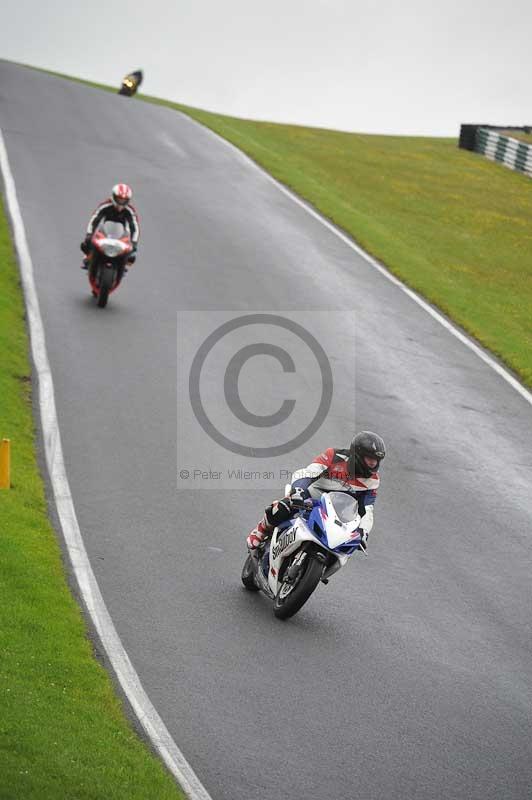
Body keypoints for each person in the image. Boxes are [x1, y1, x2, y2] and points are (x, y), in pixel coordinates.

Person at [246, 431, 386, 552]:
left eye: (376, 460)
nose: (373, 464)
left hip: (338, 513)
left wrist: (363, 531)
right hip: (312, 497)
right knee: (285, 505)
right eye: (370, 459)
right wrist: (298, 490)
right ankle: (261, 529)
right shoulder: (334, 456)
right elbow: (308, 472)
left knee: (348, 543)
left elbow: (368, 510)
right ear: (357, 455)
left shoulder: (373, 480)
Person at [80, 183, 140, 271]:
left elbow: (135, 227)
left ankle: (122, 265)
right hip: (105, 232)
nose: (121, 203)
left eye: (124, 200)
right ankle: (89, 258)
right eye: (119, 199)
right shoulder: (105, 205)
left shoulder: (130, 210)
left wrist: (134, 244)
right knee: (87, 244)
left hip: (121, 235)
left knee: (132, 255)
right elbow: (95, 219)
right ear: (113, 197)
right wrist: (89, 234)